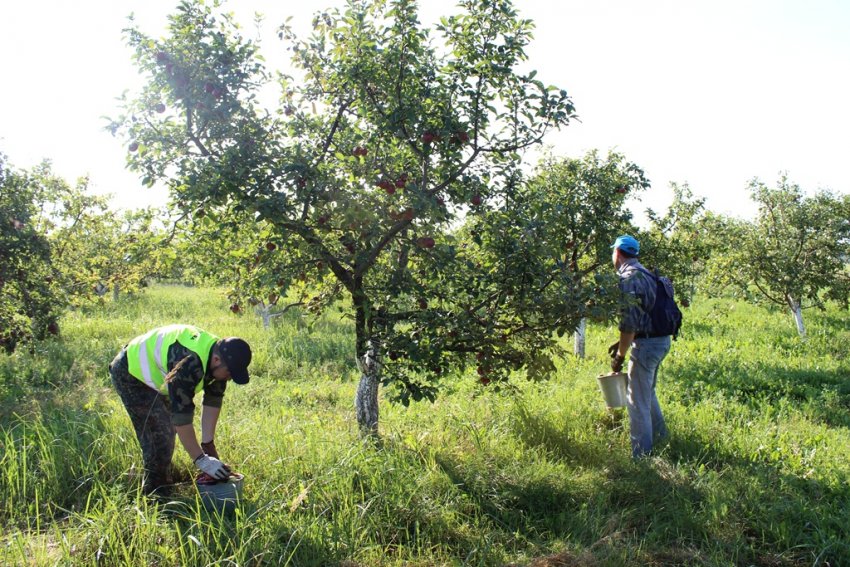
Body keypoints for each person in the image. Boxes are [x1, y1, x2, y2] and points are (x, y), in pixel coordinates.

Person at [109, 324, 252, 495]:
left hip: (161, 378)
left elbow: (213, 401)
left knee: (165, 431)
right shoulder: (187, 362)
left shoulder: (220, 358)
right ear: (216, 360)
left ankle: (163, 479)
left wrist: (208, 445)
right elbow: (181, 419)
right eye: (229, 373)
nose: (229, 378)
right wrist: (201, 461)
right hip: (131, 374)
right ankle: (157, 497)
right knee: (161, 435)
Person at [608, 235, 672, 458]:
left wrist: (619, 356)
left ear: (618, 252)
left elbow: (629, 324)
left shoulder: (628, 279)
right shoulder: (648, 274)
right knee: (647, 393)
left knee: (636, 400)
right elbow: (646, 313)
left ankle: (641, 457)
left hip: (646, 346)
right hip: (662, 341)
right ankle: (662, 437)